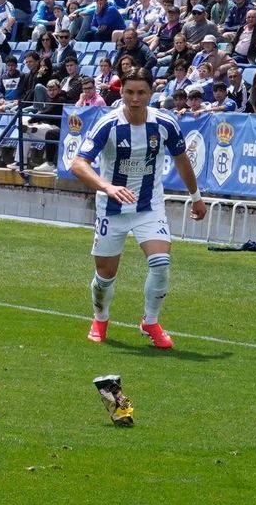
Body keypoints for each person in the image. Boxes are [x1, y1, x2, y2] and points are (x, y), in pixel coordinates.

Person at [69, 70, 209, 359]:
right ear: (121, 93)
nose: (135, 98)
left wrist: (196, 198)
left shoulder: (165, 123)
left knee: (161, 263)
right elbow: (79, 164)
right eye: (129, 92)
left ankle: (151, 322)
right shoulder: (108, 124)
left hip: (149, 206)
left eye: (141, 93)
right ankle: (100, 318)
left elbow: (182, 159)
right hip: (112, 209)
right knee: (105, 275)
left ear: (150, 94)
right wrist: (108, 187)